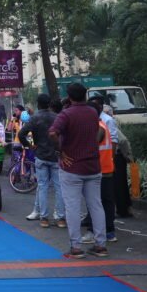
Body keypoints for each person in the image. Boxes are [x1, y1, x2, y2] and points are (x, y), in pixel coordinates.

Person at [50, 82, 107, 259]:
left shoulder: (66, 114)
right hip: (93, 166)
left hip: (71, 167)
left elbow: (52, 133)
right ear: (85, 95)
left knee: (72, 206)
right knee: (96, 205)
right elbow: (99, 131)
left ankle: (76, 247)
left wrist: (60, 151)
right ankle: (101, 245)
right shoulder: (92, 112)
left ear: (70, 96)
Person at [18, 94, 65, 228]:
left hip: (41, 155)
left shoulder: (35, 118)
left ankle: (44, 218)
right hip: (56, 156)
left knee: (42, 187)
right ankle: (60, 218)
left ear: (38, 104)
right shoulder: (57, 117)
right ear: (50, 103)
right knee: (59, 187)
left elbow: (21, 134)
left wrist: (29, 146)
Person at [81, 118, 117, 244]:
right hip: (106, 169)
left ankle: (93, 232)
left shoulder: (98, 127)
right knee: (106, 202)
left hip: (98, 170)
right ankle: (109, 232)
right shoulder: (103, 125)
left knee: (95, 202)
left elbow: (91, 146)